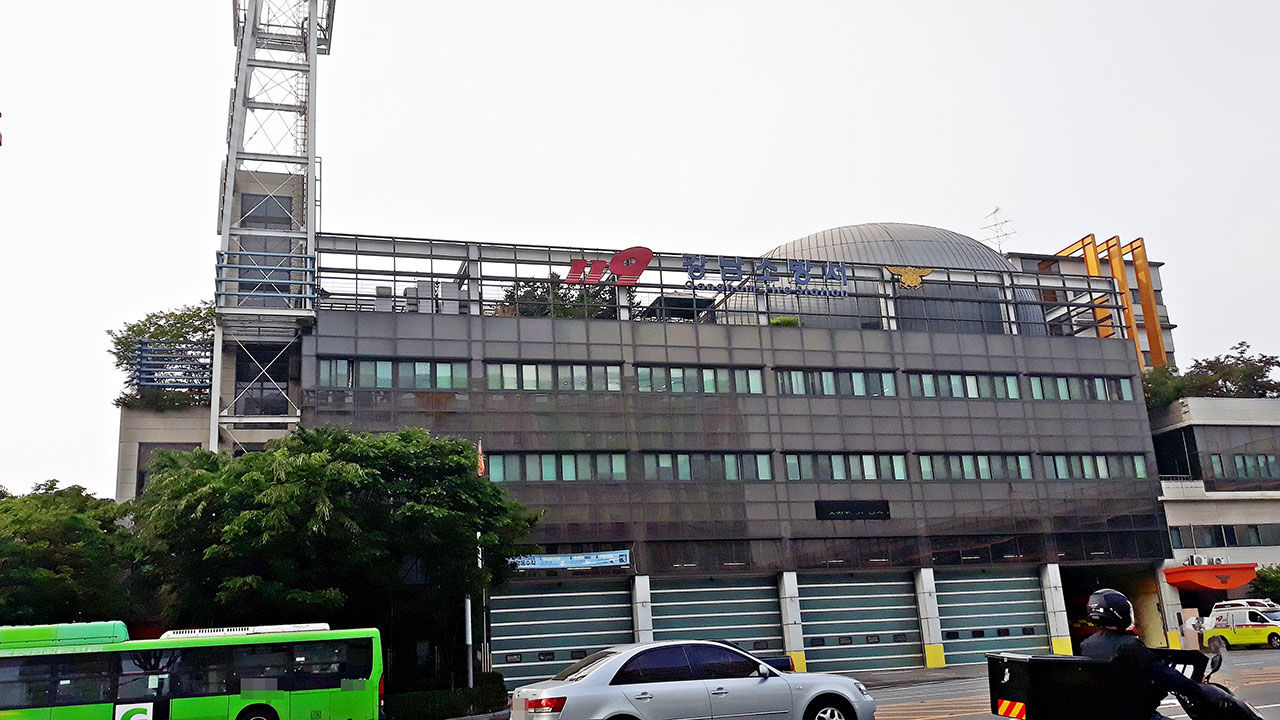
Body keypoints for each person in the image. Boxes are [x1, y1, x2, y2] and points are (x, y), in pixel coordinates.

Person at [1080, 588, 1202, 720]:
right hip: (1138, 714)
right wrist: (1196, 689)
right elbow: (1162, 672)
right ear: (1121, 612)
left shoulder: (1087, 645)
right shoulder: (1128, 644)